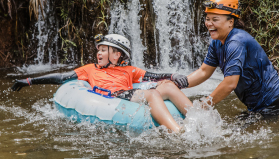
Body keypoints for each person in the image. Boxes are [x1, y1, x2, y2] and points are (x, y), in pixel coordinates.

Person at [12, 34, 192, 132]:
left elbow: (155, 76)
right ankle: (177, 132)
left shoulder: (131, 70)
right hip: (114, 97)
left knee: (168, 85)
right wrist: (29, 81)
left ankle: (198, 117)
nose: (99, 53)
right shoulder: (91, 68)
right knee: (153, 94)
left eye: (104, 50)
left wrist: (174, 75)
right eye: (99, 50)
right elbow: (62, 77)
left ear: (117, 55)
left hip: (130, 94)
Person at [185, 0, 279, 113]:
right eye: (208, 19)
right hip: (258, 107)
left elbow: (230, 83)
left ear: (230, 22)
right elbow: (204, 71)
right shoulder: (217, 42)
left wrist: (205, 104)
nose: (208, 23)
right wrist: (179, 82)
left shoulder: (236, 41)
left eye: (215, 19)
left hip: (273, 104)